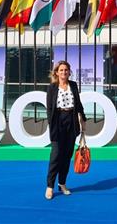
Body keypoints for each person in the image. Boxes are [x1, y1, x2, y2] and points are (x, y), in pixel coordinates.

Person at [45, 60, 87, 200]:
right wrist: (52, 124)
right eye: (61, 70)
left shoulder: (73, 85)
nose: (64, 72)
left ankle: (62, 184)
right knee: (56, 155)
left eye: (66, 70)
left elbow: (78, 104)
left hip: (71, 121)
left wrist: (83, 120)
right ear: (57, 72)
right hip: (58, 121)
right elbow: (49, 108)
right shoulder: (52, 87)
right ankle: (50, 186)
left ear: (69, 72)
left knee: (67, 156)